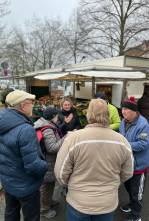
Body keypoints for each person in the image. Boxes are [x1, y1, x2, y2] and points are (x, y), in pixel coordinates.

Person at [54, 98, 133, 221]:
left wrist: (72, 186)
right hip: (107, 202)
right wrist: (113, 184)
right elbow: (128, 172)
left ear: (88, 114)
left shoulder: (73, 138)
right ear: (108, 114)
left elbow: (60, 173)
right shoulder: (122, 141)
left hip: (78, 202)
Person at [0, 90, 48, 221]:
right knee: (31, 217)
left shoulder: (3, 120)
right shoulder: (25, 129)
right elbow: (33, 166)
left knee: (10, 213)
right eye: (31, 102)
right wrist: (46, 166)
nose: (33, 105)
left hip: (8, 181)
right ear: (22, 106)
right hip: (26, 186)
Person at [119, 96, 149, 221]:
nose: (123, 111)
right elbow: (121, 136)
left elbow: (143, 144)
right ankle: (132, 204)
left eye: (126, 109)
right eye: (123, 109)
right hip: (126, 164)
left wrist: (124, 145)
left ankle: (136, 216)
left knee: (137, 192)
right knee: (128, 187)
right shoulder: (124, 121)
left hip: (138, 165)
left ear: (134, 111)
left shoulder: (143, 124)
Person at [34, 107, 65, 219]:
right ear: (53, 117)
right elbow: (52, 148)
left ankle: (48, 201)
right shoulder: (47, 128)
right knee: (46, 186)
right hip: (47, 161)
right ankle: (44, 210)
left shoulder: (45, 124)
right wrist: (66, 137)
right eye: (57, 116)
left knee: (50, 183)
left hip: (46, 160)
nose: (58, 118)